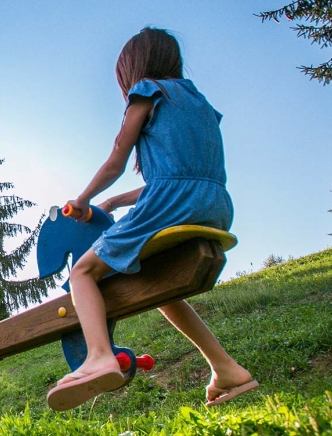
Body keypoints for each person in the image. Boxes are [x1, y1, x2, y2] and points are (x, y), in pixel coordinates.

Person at [47, 27, 258, 411]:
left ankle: (97, 357)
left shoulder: (146, 92)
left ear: (133, 69)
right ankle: (226, 369)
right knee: (161, 287)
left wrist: (83, 199)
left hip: (172, 201)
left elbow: (116, 161)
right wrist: (113, 203)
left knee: (82, 273)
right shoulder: (199, 104)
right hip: (215, 203)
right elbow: (176, 181)